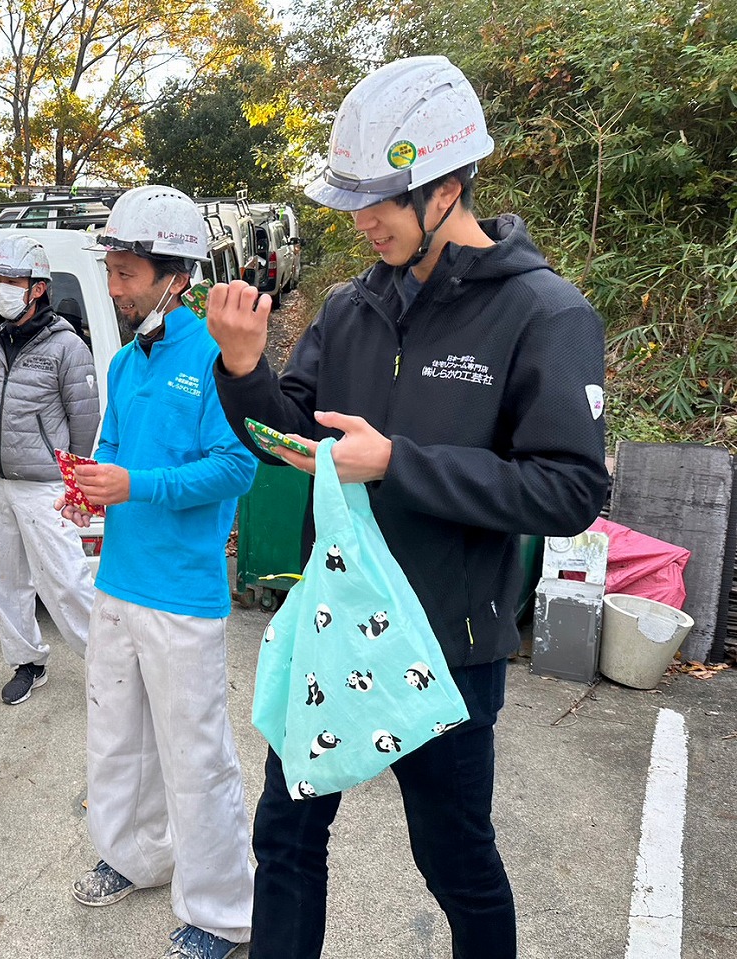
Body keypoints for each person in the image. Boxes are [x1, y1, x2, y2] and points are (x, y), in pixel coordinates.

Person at [207, 56, 609, 958]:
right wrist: (243, 366)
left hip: (445, 645)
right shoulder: (350, 308)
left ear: (448, 187)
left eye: (380, 201)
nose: (362, 220)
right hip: (331, 622)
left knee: (454, 859)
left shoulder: (544, 313)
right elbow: (289, 434)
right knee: (286, 837)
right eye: (352, 200)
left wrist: (398, 464)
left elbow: (572, 489)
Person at [61, 185, 258, 959]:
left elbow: (238, 466)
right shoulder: (123, 361)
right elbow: (112, 450)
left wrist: (134, 486)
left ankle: (222, 911)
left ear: (176, 276)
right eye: (110, 271)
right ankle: (136, 854)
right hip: (118, 580)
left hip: (182, 592)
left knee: (196, 756)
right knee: (116, 739)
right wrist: (90, 491)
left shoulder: (215, 360)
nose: (114, 288)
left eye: (126, 273)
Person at [0, 235, 100, 705]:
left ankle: (108, 665)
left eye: (12, 280)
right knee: (2, 578)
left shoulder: (68, 347)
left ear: (38, 288)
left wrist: (77, 485)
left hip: (44, 484)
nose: (1, 288)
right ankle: (27, 660)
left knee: (65, 580)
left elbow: (85, 422)